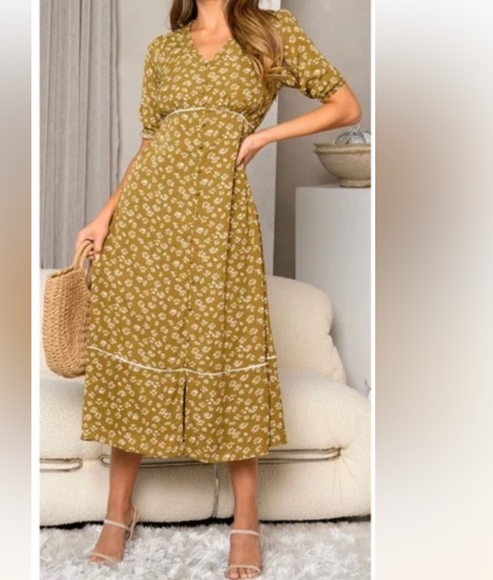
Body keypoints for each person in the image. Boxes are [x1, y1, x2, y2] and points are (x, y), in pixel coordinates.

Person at [75, 1, 361, 577]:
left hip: (220, 218)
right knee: (140, 348)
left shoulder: (270, 33)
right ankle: (117, 511)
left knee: (230, 349)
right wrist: (106, 215)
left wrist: (266, 136)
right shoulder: (165, 49)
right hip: (148, 218)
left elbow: (345, 105)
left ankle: (246, 519)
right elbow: (150, 144)